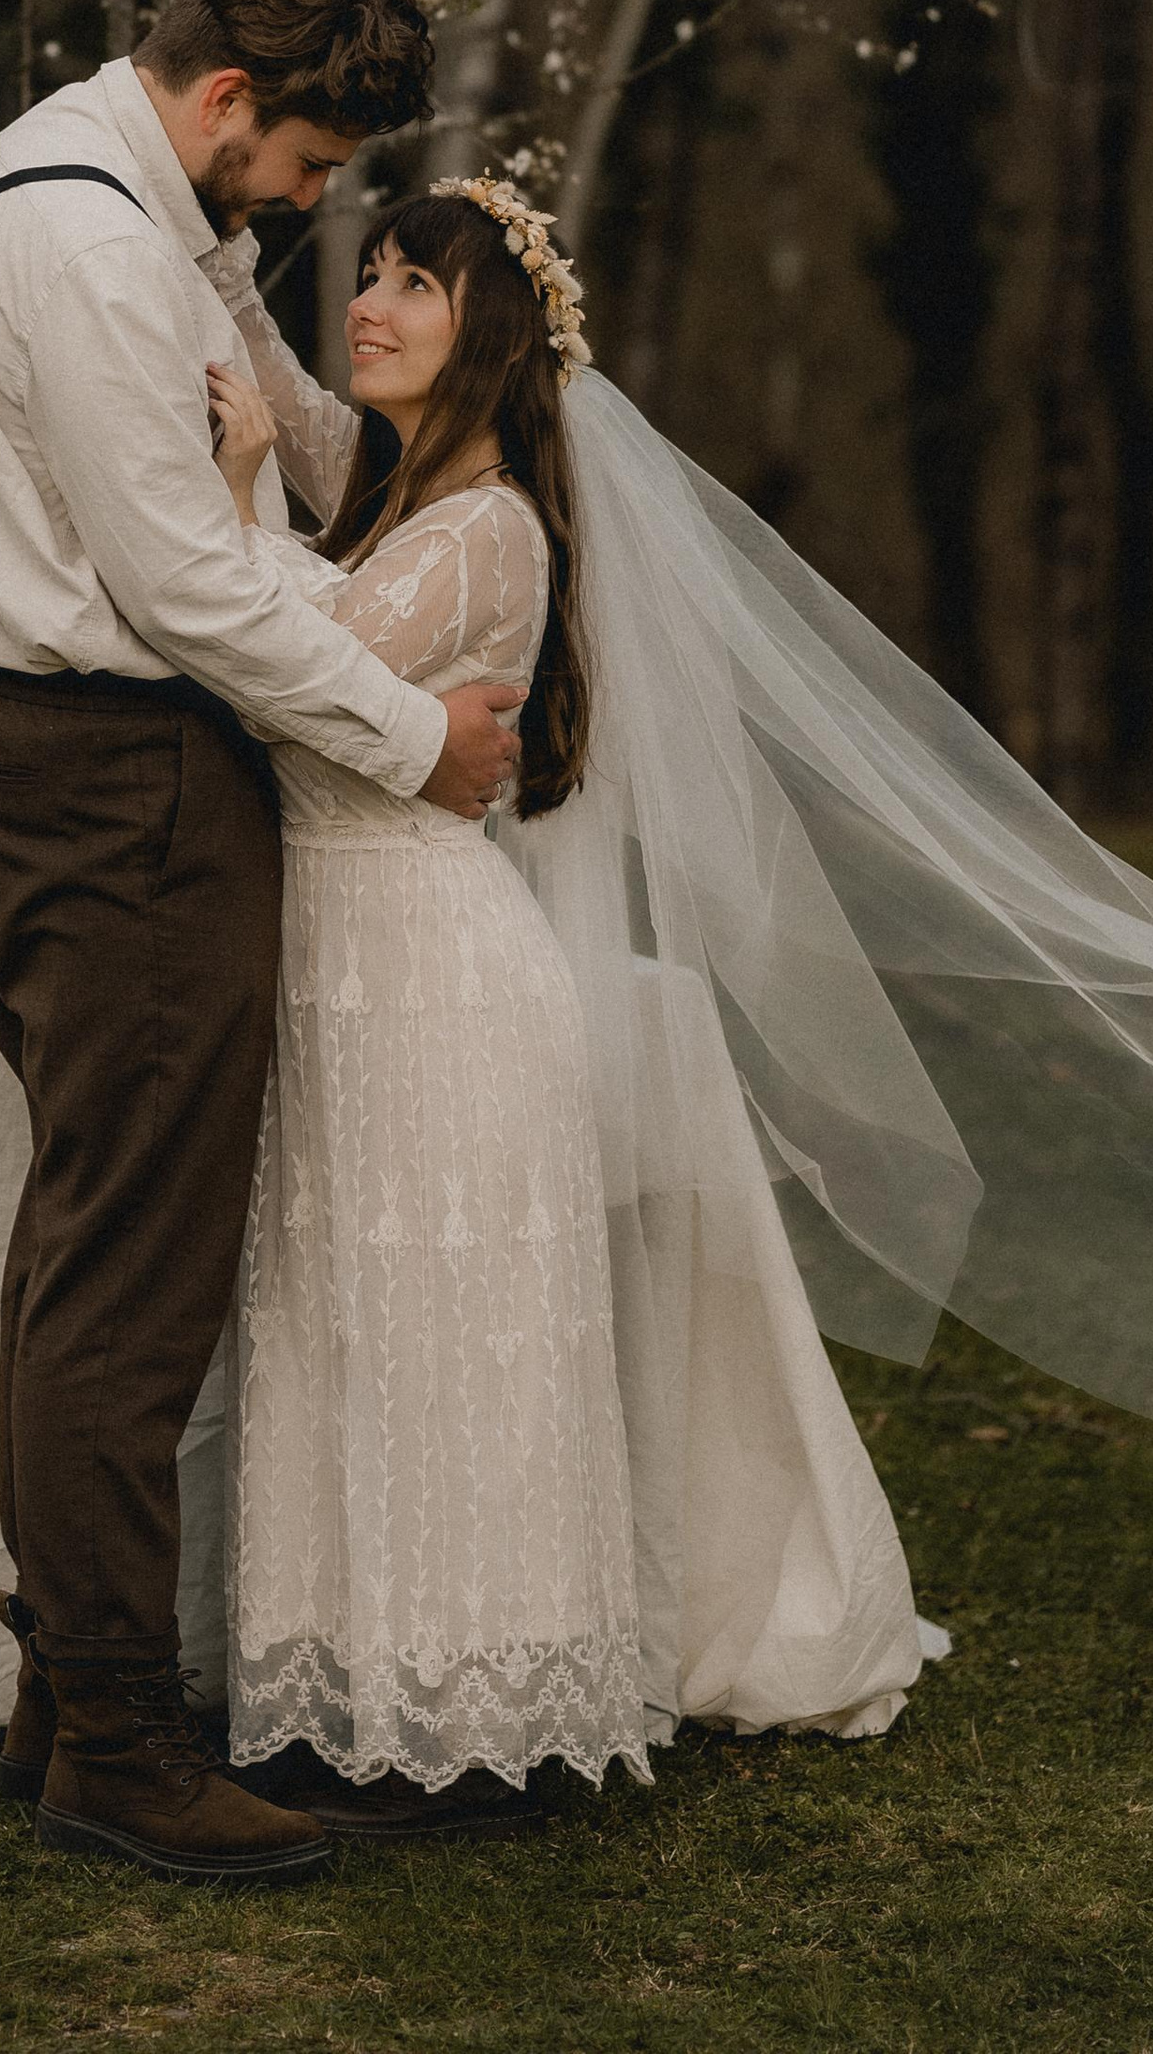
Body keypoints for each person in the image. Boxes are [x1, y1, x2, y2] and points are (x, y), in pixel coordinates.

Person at [0, 0, 526, 1884]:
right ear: (229, 99)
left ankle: (60, 1692)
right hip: (119, 779)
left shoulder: (49, 176)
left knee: (86, 1228)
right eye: (315, 156)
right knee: (132, 1272)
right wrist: (409, 732)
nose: (322, 199)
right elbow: (184, 589)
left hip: (33, 749)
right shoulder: (92, 250)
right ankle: (118, 1743)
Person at [201, 179, 925, 1834]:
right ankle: (349, 1693)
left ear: (495, 333)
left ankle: (482, 1713)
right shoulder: (398, 503)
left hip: (440, 981)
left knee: (447, 1336)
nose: (368, 304)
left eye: (410, 286)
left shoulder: (490, 531)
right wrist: (235, 268)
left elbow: (279, 663)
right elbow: (315, 444)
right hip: (340, 971)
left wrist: (238, 490)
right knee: (338, 1327)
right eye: (365, 273)